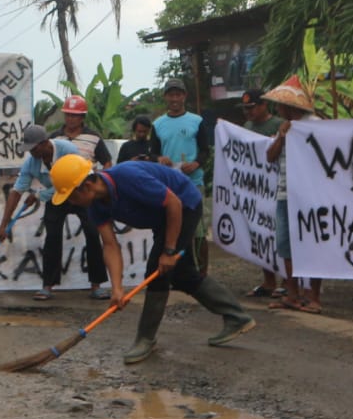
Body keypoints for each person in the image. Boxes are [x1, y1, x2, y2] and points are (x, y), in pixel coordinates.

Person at [52, 153, 256, 364]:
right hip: (163, 217)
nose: (72, 203)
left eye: (72, 197)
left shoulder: (128, 177)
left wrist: (168, 251)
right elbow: (110, 245)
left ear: (85, 186)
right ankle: (237, 317)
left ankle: (145, 339)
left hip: (184, 206)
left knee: (157, 273)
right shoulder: (96, 205)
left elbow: (174, 203)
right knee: (183, 275)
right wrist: (117, 288)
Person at [0, 124, 107, 300]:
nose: (31, 152)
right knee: (52, 237)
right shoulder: (31, 163)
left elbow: (71, 182)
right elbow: (16, 192)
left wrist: (39, 195)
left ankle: (97, 284)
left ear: (45, 143)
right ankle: (48, 285)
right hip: (55, 199)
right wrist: (4, 225)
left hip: (79, 192)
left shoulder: (68, 150)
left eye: (33, 148)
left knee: (93, 233)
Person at [262, 79, 320, 313]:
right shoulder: (285, 126)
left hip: (310, 195)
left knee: (312, 243)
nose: (277, 109)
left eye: (280, 105)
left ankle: (313, 296)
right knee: (285, 244)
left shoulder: (315, 125)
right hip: (286, 193)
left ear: (290, 106)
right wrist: (282, 136)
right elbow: (270, 157)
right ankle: (293, 293)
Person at [154, 79, 212, 271]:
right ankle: (178, 271)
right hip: (169, 185)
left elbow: (205, 150)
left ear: (184, 96)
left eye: (178, 94)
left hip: (193, 182)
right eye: (171, 95)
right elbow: (153, 152)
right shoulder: (158, 124)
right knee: (172, 228)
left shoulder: (197, 121)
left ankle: (202, 271)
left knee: (198, 230)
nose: (175, 98)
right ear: (165, 97)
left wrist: (196, 163)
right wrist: (159, 158)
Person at [238, 89, 284, 299]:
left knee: (281, 234)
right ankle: (268, 281)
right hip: (255, 190)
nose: (249, 112)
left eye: (252, 107)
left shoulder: (278, 125)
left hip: (277, 187)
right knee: (259, 233)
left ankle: (286, 281)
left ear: (264, 105)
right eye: (246, 109)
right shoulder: (247, 127)